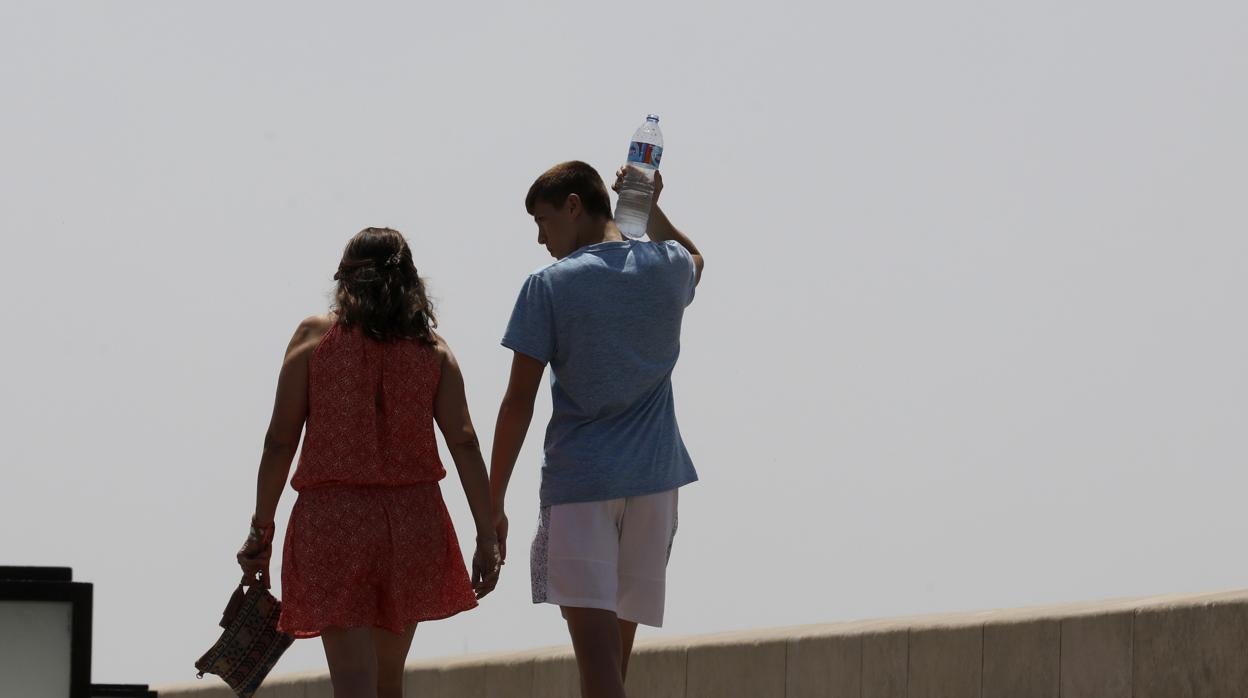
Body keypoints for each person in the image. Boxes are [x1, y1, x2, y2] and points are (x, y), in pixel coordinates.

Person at [236, 227, 501, 698]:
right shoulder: (432, 350)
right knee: (387, 682)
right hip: (413, 521)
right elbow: (464, 441)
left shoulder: (315, 338)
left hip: (334, 521)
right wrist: (485, 534)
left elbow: (279, 441)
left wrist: (261, 531)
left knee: (354, 684)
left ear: (344, 281)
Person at [489, 161, 704, 698]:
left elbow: (518, 401)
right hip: (655, 486)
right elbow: (696, 257)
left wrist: (491, 503)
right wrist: (650, 208)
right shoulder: (666, 266)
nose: (541, 239)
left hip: (583, 487)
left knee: (598, 664)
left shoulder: (549, 285)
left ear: (573, 206)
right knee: (613, 665)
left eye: (543, 221)